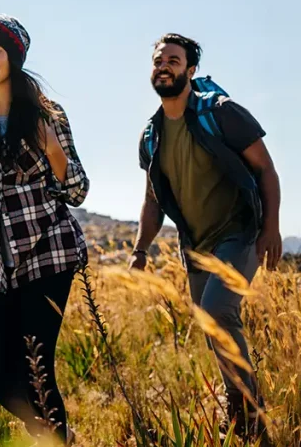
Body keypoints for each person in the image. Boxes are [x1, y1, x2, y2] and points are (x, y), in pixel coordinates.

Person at [0, 14, 88, 444]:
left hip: (47, 256)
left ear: (14, 57)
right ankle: (57, 437)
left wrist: (54, 151)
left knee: (36, 371)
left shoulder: (48, 115)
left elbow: (77, 190)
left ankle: (53, 439)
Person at [129, 33, 280, 441]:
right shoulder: (152, 135)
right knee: (215, 329)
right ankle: (239, 409)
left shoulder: (221, 113)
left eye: (174, 60)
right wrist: (140, 248)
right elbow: (152, 199)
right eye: (159, 60)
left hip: (240, 232)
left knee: (217, 312)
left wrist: (271, 229)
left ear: (191, 71)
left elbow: (265, 169)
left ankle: (251, 415)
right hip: (195, 247)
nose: (164, 66)